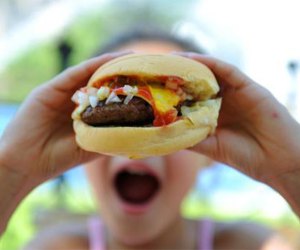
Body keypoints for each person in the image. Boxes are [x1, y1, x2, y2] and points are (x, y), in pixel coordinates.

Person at [0, 28, 298, 249]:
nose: (141, 152)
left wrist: (292, 170)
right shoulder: (54, 246)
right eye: (120, 87)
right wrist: (11, 171)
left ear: (209, 157)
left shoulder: (253, 244)